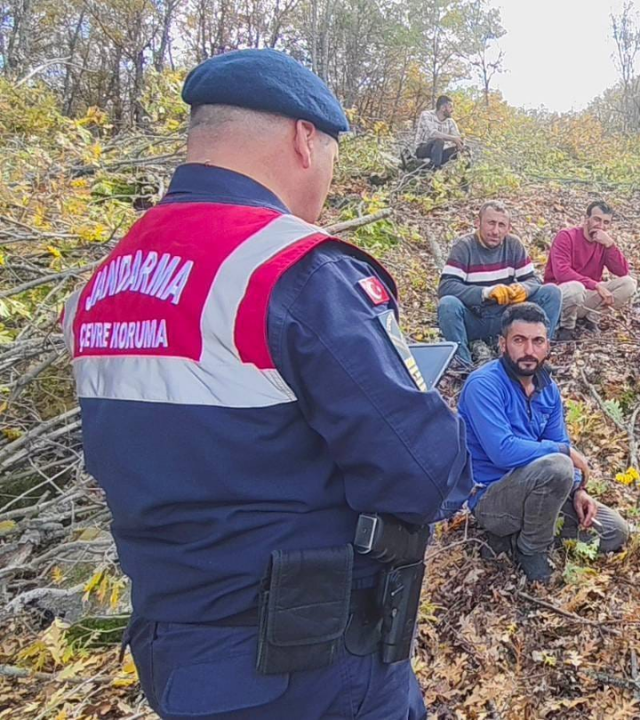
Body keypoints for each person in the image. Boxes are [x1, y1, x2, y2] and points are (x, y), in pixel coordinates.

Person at [60, 49, 471, 719]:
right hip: (313, 666)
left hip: (179, 656)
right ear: (305, 138)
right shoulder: (291, 271)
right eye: (334, 151)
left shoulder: (103, 284)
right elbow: (424, 474)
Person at [456, 303, 630, 583]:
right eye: (519, 340)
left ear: (547, 346)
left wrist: (577, 491)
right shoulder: (483, 385)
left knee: (614, 531)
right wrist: (563, 453)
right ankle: (530, 549)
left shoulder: (548, 388)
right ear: (503, 344)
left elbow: (558, 439)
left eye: (537, 341)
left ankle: (520, 534)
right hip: (492, 498)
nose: (529, 351)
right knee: (559, 465)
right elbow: (503, 451)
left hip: (541, 488)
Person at [437, 201, 562, 365]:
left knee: (552, 292)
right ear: (478, 223)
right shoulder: (464, 246)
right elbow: (446, 287)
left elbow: (533, 280)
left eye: (501, 225)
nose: (495, 231)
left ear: (508, 228)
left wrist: (523, 289)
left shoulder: (513, 244)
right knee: (448, 304)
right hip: (474, 318)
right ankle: (463, 365)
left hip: (506, 317)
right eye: (491, 223)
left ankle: (537, 354)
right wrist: (486, 293)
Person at [543, 200, 637, 337]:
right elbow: (562, 273)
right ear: (586, 219)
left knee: (629, 284)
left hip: (586, 297)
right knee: (576, 288)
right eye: (597, 220)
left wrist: (610, 245)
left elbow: (622, 271)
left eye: (606, 223)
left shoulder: (603, 242)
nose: (601, 226)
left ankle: (590, 320)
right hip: (561, 297)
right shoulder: (567, 236)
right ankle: (566, 328)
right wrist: (596, 285)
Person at [413, 94, 465, 169]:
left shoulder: (450, 122)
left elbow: (457, 137)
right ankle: (435, 169)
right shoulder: (426, 115)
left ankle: (462, 174)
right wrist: (453, 139)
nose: (452, 110)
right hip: (423, 149)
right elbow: (432, 133)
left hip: (441, 152)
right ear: (443, 108)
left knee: (463, 149)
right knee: (439, 141)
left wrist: (460, 144)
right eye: (450, 107)